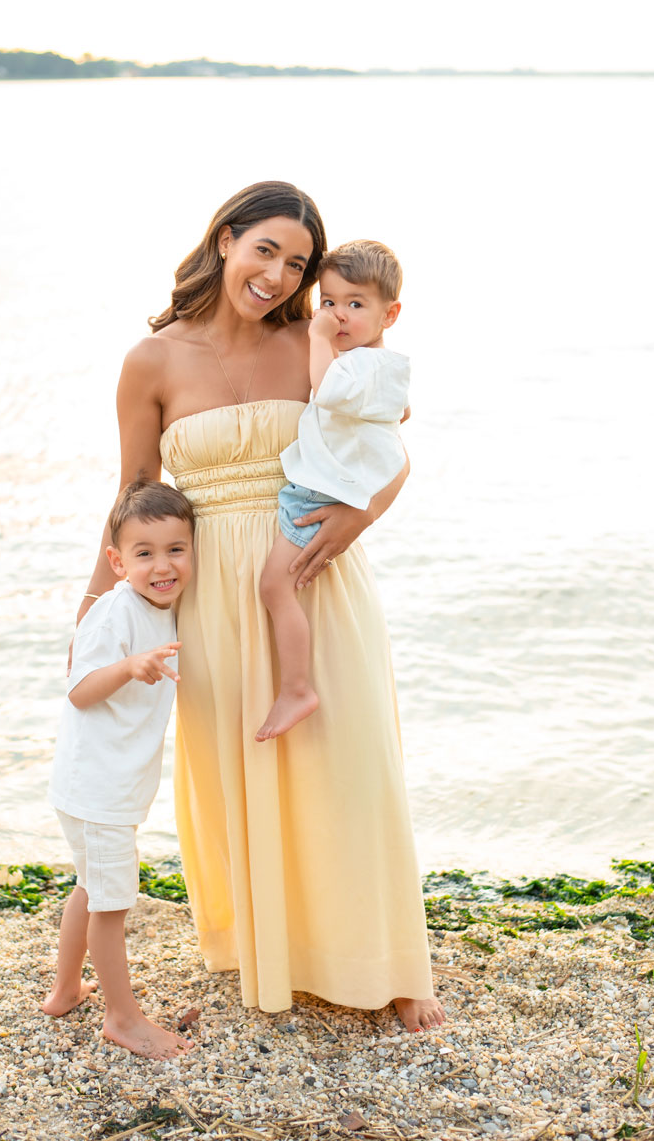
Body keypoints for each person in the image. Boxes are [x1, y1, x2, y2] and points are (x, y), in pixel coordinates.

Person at [76, 181, 445, 1032]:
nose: (279, 276)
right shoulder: (152, 361)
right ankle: (275, 947)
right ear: (225, 240)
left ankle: (389, 962)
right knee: (241, 771)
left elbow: (386, 453)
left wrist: (353, 526)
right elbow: (136, 492)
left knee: (350, 764)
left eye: (299, 264)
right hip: (207, 600)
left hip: (313, 574)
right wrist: (98, 613)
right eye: (266, 250)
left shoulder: (318, 348)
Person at [44, 479, 196, 1059]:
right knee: (112, 904)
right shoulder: (114, 614)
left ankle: (63, 992)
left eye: (176, 549)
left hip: (98, 787)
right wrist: (130, 666)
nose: (163, 565)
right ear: (116, 561)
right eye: (144, 553)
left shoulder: (161, 605)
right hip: (98, 789)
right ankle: (122, 1017)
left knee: (91, 886)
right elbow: (80, 691)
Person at [256, 240, 411, 742]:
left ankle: (297, 688)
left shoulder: (356, 364)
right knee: (282, 588)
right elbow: (395, 412)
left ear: (390, 314)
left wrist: (318, 336)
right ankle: (296, 684)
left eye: (355, 305)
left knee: (274, 586)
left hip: (316, 497)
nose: (338, 316)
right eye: (329, 302)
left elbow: (324, 387)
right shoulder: (376, 363)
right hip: (321, 487)